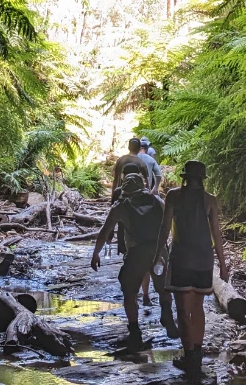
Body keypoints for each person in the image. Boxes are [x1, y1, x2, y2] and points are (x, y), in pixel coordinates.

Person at [156, 160, 227, 373]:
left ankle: (189, 356)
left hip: (181, 259)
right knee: (197, 308)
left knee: (182, 309)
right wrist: (222, 264)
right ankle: (197, 352)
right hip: (204, 260)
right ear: (202, 178)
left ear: (184, 177)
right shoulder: (210, 200)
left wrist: (158, 253)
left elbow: (165, 227)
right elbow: (217, 234)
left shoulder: (173, 196)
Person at [90, 172, 165, 351]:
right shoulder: (159, 202)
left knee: (129, 292)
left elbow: (104, 231)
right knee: (164, 289)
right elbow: (168, 226)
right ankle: (170, 321)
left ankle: (135, 332)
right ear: (143, 185)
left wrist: (96, 254)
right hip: (160, 252)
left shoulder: (121, 207)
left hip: (137, 253)